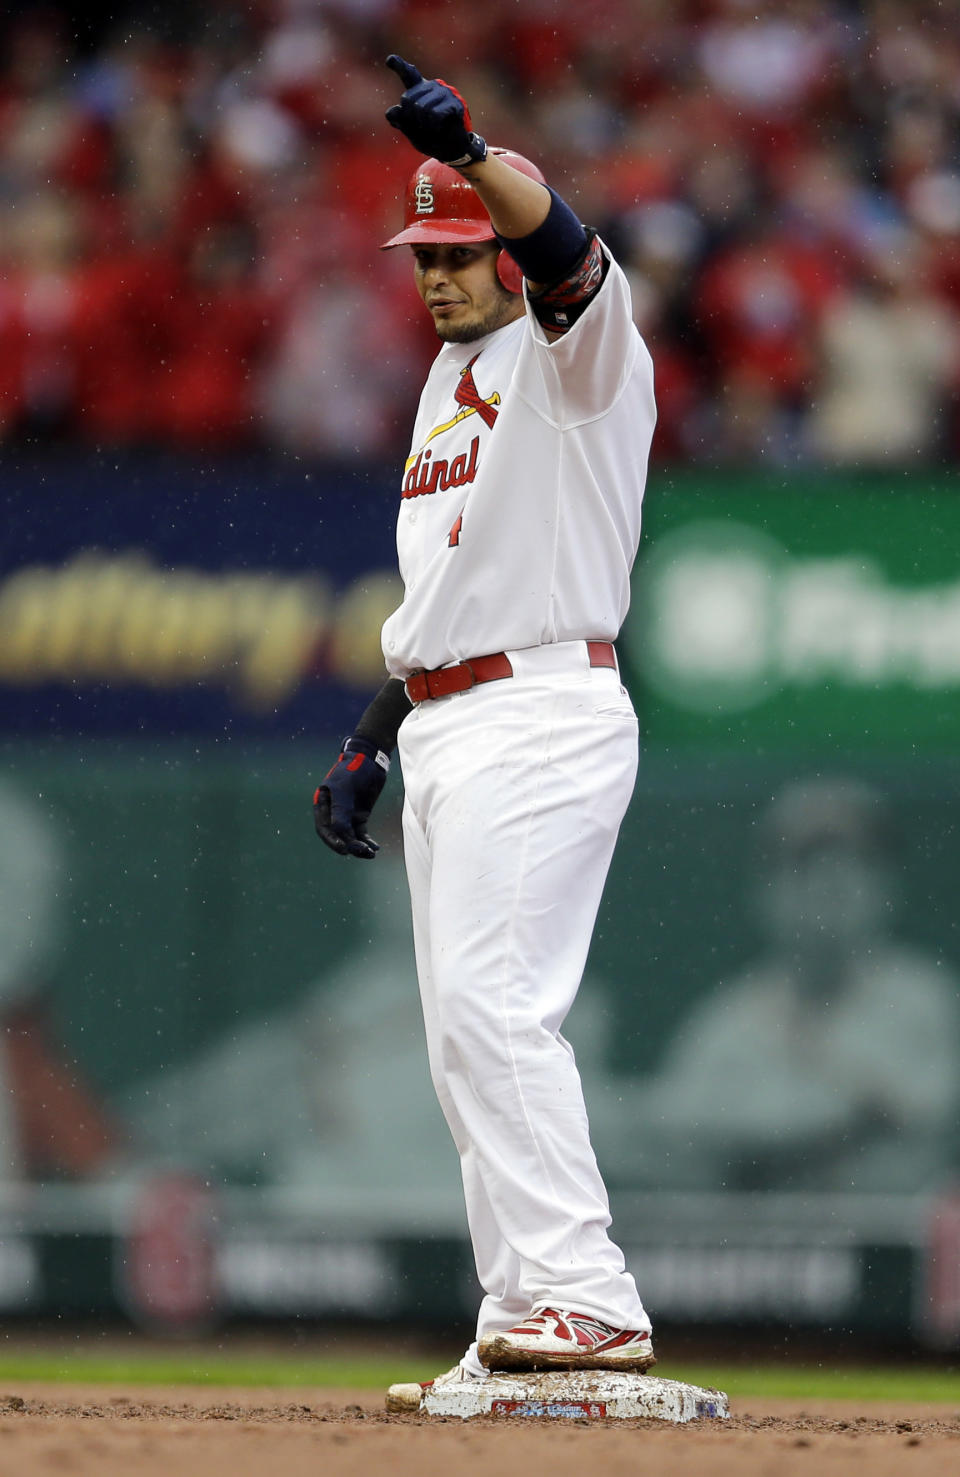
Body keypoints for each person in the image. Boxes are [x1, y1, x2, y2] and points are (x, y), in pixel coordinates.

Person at [313, 55, 657, 1395]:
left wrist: (483, 156)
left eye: (465, 248)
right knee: (461, 1030)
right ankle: (522, 1310)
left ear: (500, 251)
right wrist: (375, 727)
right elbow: (451, 590)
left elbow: (567, 251)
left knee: (500, 1006)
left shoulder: (575, 350)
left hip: (545, 708)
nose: (445, 273)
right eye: (428, 253)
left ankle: (587, 1297)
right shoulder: (445, 384)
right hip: (456, 714)